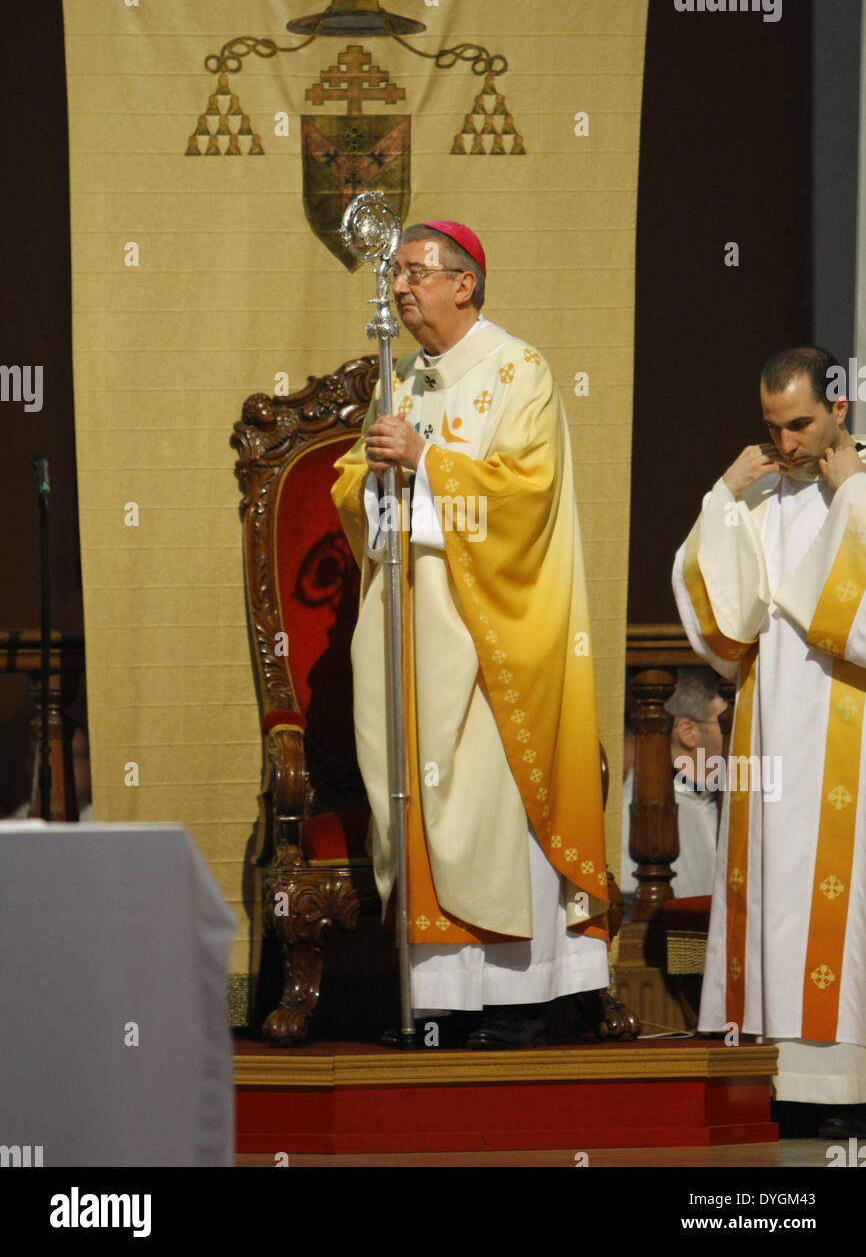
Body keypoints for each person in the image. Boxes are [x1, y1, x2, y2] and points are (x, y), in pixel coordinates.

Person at [332, 220, 610, 1048]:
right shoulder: (405, 380)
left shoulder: (520, 369)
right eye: (397, 277)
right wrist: (373, 481)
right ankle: (445, 1000)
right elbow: (356, 481)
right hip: (415, 628)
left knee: (488, 796)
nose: (402, 289)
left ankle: (524, 997)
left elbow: (527, 499)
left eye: (418, 273)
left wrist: (425, 461)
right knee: (420, 791)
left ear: (466, 282)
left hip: (494, 633)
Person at [672, 345, 866, 1136]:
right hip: (772, 723)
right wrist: (723, 497)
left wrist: (851, 491)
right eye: (772, 427)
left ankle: (847, 1084)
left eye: (802, 425)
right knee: (779, 897)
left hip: (850, 729)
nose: (785, 445)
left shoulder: (859, 490)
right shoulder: (765, 498)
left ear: (840, 410)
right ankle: (786, 1082)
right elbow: (725, 634)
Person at [620, 668, 725, 915]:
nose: (736, 731)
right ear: (688, 732)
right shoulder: (637, 810)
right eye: (725, 722)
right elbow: (630, 909)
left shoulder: (718, 799)